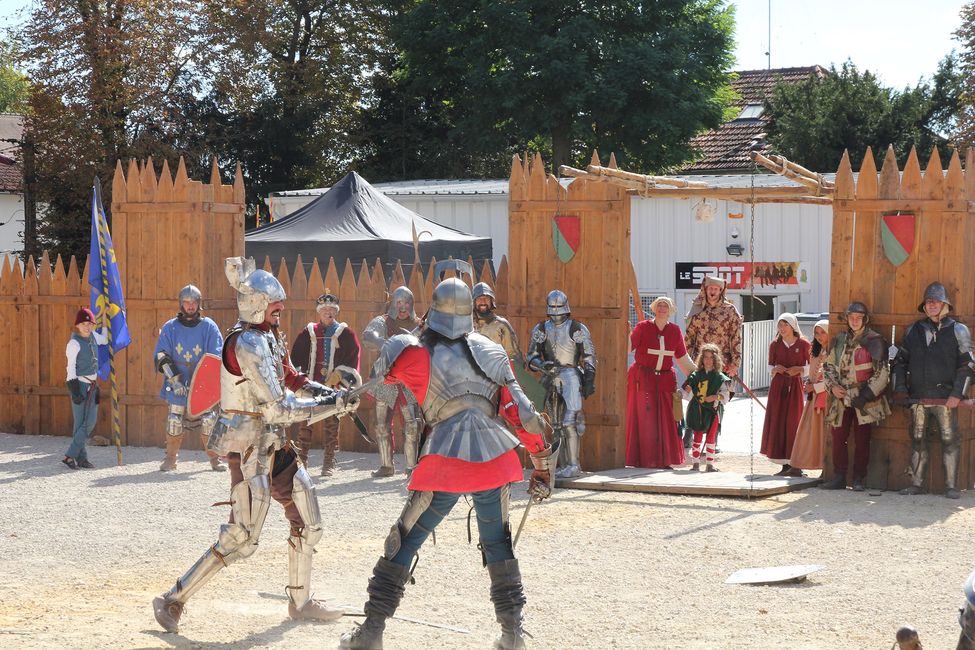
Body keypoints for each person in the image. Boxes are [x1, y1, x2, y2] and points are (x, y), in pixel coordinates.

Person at [338, 277, 557, 650]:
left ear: (433, 309)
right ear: (471, 310)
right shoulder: (491, 351)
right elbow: (523, 413)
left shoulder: (414, 353)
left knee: (403, 542)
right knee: (499, 544)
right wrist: (541, 465)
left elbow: (385, 375)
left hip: (444, 460)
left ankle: (371, 632)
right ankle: (512, 636)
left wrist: (417, 336)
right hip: (494, 458)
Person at [152, 257, 354, 634]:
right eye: (275, 305)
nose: (281, 311)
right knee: (242, 539)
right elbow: (279, 408)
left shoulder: (269, 338)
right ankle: (172, 599)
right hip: (248, 448)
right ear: (259, 304)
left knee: (309, 522)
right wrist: (334, 405)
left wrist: (332, 393)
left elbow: (293, 379)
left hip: (275, 444)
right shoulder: (245, 343)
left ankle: (300, 601)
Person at [892, 282, 973, 499]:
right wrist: (900, 389)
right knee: (918, 439)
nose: (932, 305)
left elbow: (968, 365)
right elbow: (899, 363)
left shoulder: (959, 330)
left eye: (936, 301)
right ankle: (917, 484)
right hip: (918, 397)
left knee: (949, 439)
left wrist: (957, 394)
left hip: (947, 398)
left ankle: (951, 486)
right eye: (929, 302)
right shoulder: (913, 331)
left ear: (945, 304)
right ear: (924, 306)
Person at [153, 285, 226, 472]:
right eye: (187, 302)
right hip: (177, 380)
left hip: (203, 382)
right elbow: (161, 355)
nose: (190, 306)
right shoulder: (170, 327)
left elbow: (215, 358)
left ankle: (214, 459)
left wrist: (202, 384)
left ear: (199, 304)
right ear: (181, 304)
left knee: (209, 419)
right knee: (174, 418)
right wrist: (175, 381)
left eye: (194, 302)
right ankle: (170, 459)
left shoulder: (209, 327)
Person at [820, 302, 891, 491]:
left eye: (858, 317)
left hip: (864, 397)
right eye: (851, 317)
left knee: (862, 438)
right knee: (838, 436)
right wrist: (833, 387)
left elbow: (883, 373)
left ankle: (859, 477)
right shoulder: (840, 340)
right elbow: (828, 367)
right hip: (842, 396)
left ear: (864, 319)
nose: (854, 321)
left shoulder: (875, 340)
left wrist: (866, 395)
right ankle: (839, 476)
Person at [526, 289, 596, 478]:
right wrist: (542, 365)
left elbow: (588, 354)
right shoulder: (541, 329)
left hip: (571, 374)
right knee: (555, 424)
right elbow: (531, 356)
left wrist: (589, 377)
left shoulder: (576, 328)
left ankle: (574, 464)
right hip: (549, 376)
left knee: (569, 422)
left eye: (559, 306)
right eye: (553, 306)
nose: (556, 310)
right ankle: (560, 464)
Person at [290, 292, 361, 476]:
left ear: (336, 312)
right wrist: (301, 378)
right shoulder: (308, 332)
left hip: (333, 387)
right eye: (324, 310)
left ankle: (329, 462)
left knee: (331, 424)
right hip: (310, 385)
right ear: (319, 312)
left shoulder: (345, 333)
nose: (327, 313)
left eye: (331, 310)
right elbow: (296, 357)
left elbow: (353, 358)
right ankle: (302, 461)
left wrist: (339, 374)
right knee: (306, 423)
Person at [625, 296, 696, 469]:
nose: (662, 308)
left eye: (666, 306)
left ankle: (664, 460)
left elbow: (682, 356)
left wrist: (699, 375)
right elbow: (627, 348)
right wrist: (626, 334)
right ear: (655, 308)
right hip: (642, 379)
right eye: (659, 305)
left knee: (666, 420)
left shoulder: (675, 330)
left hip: (664, 381)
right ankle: (641, 459)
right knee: (644, 418)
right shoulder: (642, 327)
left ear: (670, 310)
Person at [362, 286, 422, 476]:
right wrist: (384, 343)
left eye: (406, 303)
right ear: (393, 304)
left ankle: (412, 467)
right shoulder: (383, 322)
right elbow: (368, 336)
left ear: (411, 304)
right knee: (382, 424)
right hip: (385, 376)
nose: (402, 307)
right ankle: (386, 465)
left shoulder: (420, 325)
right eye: (399, 303)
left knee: (412, 425)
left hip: (408, 379)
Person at [683, 276, 743, 447]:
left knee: (717, 400)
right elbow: (689, 338)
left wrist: (735, 364)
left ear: (721, 290)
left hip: (721, 363)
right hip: (699, 363)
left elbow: (736, 338)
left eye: (716, 288)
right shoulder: (697, 309)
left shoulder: (730, 311)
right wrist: (687, 362)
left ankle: (713, 439)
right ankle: (690, 436)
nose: (713, 291)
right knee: (695, 397)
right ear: (705, 289)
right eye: (710, 288)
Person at [760, 313, 810, 477]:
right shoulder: (775, 345)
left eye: (785, 325)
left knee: (793, 422)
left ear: (792, 326)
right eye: (779, 325)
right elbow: (769, 367)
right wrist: (775, 369)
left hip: (795, 386)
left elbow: (812, 366)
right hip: (778, 387)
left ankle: (796, 463)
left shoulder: (803, 344)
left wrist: (800, 370)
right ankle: (783, 464)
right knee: (778, 421)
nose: (781, 328)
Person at [63, 308, 107, 470]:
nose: (87, 327)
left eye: (89, 323)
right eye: (83, 324)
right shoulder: (74, 343)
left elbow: (105, 339)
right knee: (82, 424)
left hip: (93, 386)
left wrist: (104, 321)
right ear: (77, 325)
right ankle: (73, 456)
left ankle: (77, 458)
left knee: (87, 422)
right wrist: (75, 391)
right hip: (79, 385)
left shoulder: (94, 337)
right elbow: (70, 368)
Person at [681, 343, 731, 472]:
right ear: (702, 359)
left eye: (711, 357)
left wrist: (715, 397)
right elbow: (688, 393)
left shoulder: (719, 377)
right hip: (698, 411)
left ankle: (710, 464)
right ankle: (695, 464)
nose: (708, 360)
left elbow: (725, 394)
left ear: (715, 359)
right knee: (697, 436)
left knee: (711, 437)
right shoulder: (695, 376)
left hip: (712, 411)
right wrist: (681, 392)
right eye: (705, 357)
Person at [789, 319, 830, 471]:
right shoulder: (815, 351)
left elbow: (833, 379)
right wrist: (809, 384)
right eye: (817, 333)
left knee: (823, 435)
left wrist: (815, 387)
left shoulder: (833, 353)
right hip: (813, 400)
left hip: (827, 400)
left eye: (823, 332)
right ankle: (799, 466)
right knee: (807, 434)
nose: (819, 336)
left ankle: (825, 468)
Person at [473, 282, 523, 361]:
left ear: (491, 301)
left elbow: (513, 356)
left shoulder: (501, 325)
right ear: (474, 302)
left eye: (486, 298)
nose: (483, 302)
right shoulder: (467, 325)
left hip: (496, 370)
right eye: (479, 299)